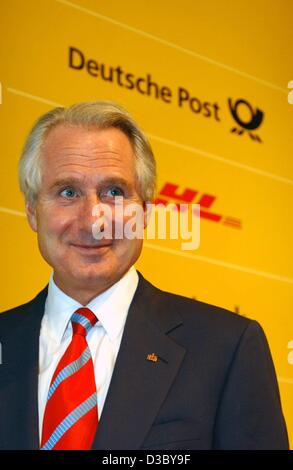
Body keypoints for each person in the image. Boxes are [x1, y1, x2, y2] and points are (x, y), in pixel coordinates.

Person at [0, 101, 289, 450]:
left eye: (114, 192)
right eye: (68, 192)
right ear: (32, 211)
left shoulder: (228, 348)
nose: (94, 219)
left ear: (146, 211)